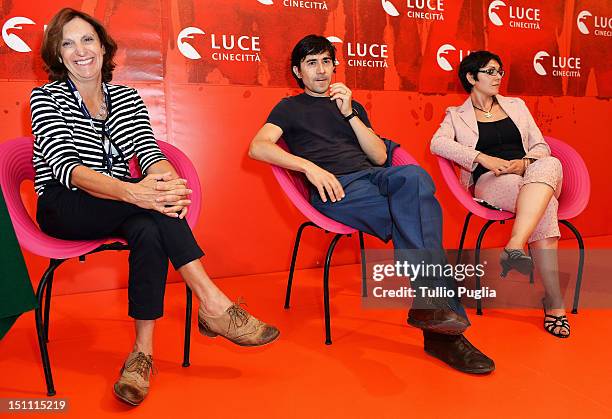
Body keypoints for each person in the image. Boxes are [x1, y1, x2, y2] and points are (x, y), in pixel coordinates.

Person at [31, 8, 279, 406]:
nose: (80, 50)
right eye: (67, 42)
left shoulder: (126, 97)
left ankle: (141, 354)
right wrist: (138, 194)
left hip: (121, 203)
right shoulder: (46, 97)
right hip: (66, 205)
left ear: (102, 46)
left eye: (87, 39)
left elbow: (148, 153)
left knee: (150, 225)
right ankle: (213, 303)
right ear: (58, 55)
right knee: (149, 209)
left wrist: (163, 181)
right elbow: (67, 168)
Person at [249, 34, 495, 374]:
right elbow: (258, 147)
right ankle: (444, 334)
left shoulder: (352, 105)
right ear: (298, 71)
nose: (320, 71)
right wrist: (309, 167)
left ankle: (433, 313)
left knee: (416, 177)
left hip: (373, 179)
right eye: (311, 63)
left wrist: (350, 115)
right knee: (421, 217)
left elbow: (380, 156)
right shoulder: (289, 108)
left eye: (325, 62)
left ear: (334, 66)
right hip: (336, 190)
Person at [430, 51, 569, 338]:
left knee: (551, 163)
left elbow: (541, 146)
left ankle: (515, 243)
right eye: (490, 72)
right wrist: (483, 158)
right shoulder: (456, 116)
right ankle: (554, 304)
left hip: (531, 173)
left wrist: (525, 163)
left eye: (500, 71)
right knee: (547, 206)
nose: (497, 77)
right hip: (492, 181)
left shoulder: (517, 106)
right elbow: (437, 144)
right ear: (471, 78)